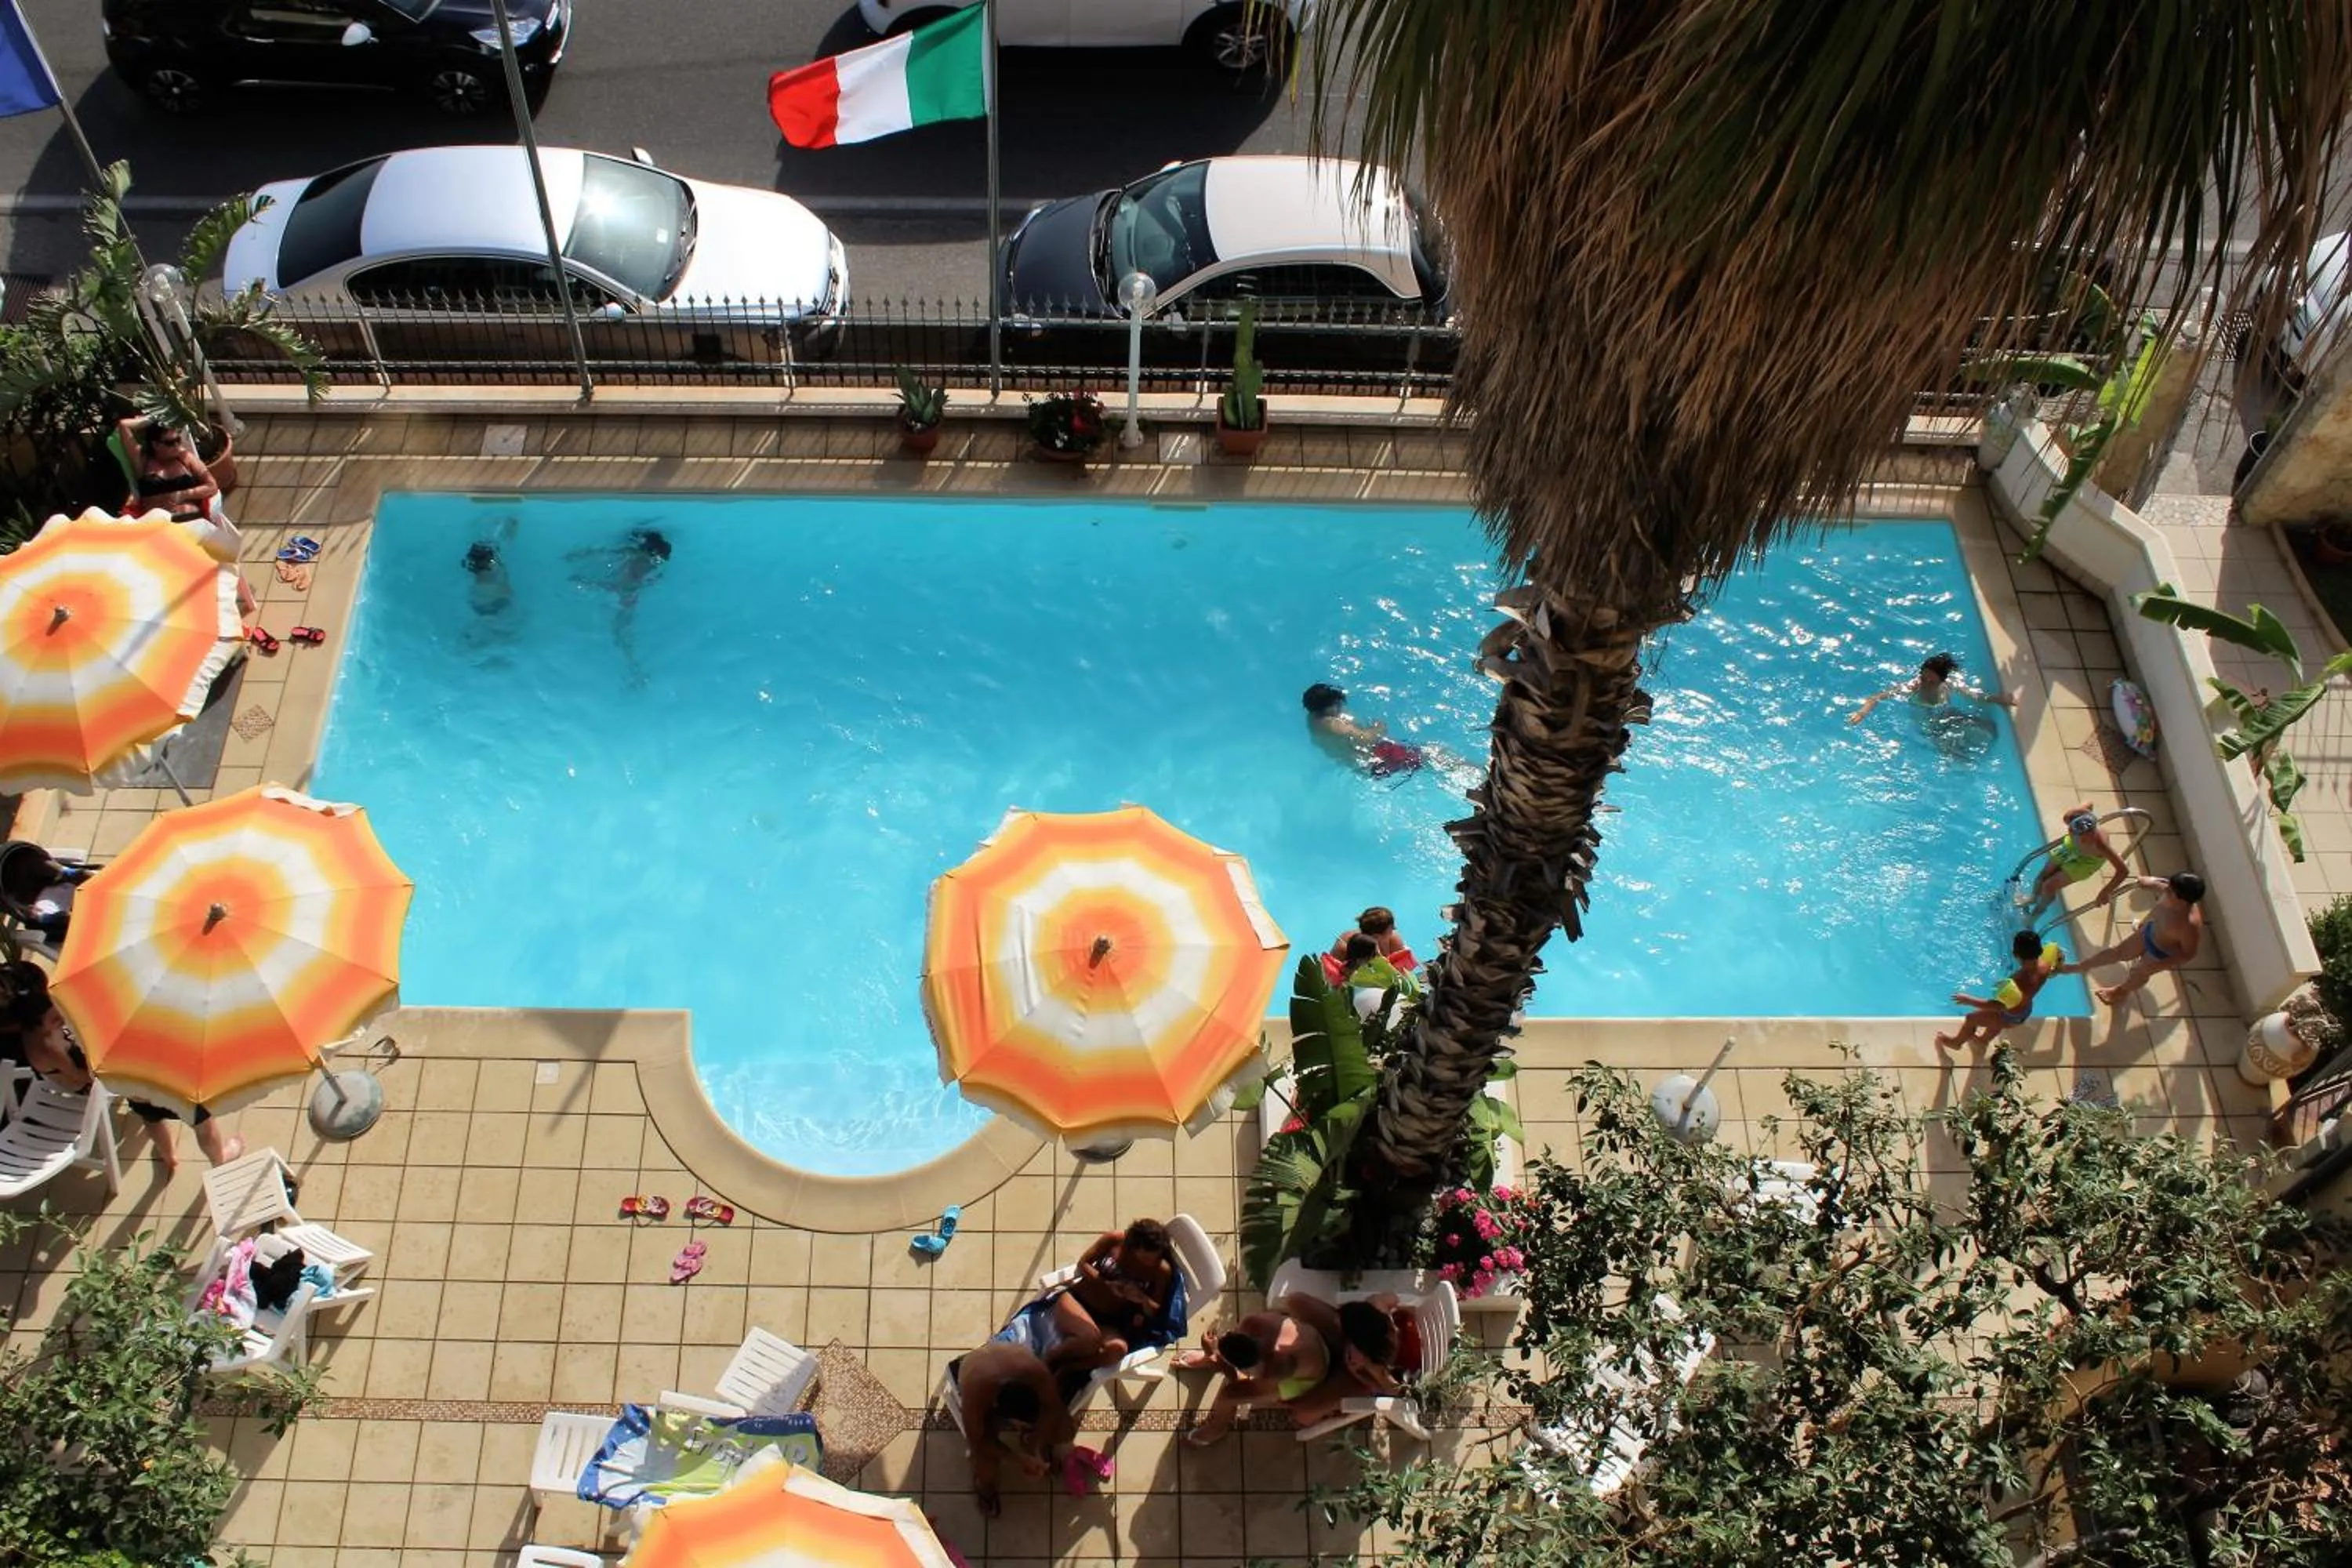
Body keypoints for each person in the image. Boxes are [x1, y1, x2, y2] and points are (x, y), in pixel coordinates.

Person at [0, 960, 241, 1171]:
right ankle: (220, 1158)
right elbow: (84, 1078)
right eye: (54, 1017)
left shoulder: (34, 1035)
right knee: (204, 1125)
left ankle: (168, 1156)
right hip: (160, 1084)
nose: (61, 1014)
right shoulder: (49, 1047)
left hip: (135, 1091)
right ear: (37, 1020)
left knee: (152, 1120)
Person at [116, 416, 258, 619]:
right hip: (161, 530)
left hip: (192, 524)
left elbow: (212, 486)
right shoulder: (143, 461)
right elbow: (123, 426)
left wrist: (184, 494)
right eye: (170, 442)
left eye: (178, 440)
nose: (177, 445)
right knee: (177, 573)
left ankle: (213, 603)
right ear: (155, 444)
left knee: (219, 556)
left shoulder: (186, 458)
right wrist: (154, 419)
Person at [951, 1339, 1074, 1517]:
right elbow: (978, 1443)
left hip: (1009, 1374)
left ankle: (1031, 1439)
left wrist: (1036, 1445)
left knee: (1064, 1430)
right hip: (973, 1373)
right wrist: (1019, 1458)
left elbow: (1053, 1407)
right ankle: (985, 1488)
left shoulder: (1035, 1372)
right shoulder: (977, 1393)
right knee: (985, 1463)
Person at [1043, 1218, 1176, 1379]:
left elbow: (1154, 1311)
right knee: (1089, 1339)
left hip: (1108, 1320)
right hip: (1079, 1301)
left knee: (1118, 1349)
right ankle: (1047, 1362)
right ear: (1134, 1247)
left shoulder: (1161, 1270)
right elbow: (1084, 1264)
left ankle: (1070, 1368)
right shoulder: (1115, 1240)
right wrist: (1107, 1284)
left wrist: (1142, 1299)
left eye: (1154, 1258)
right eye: (1146, 1258)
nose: (1150, 1262)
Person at [2059, 870, 2206, 1007]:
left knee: (2138, 972)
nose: (2165, 889)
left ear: (2183, 901)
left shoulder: (2189, 925)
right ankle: (2081, 966)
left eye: (2170, 891)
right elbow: (2158, 884)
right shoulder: (2169, 893)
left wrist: (2157, 966)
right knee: (2118, 952)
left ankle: (2120, 991)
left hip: (2160, 952)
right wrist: (2146, 882)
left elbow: (2188, 954)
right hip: (2149, 931)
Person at [569, 526, 672, 682]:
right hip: (631, 597)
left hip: (627, 596)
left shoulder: (632, 555)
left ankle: (635, 672)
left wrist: (589, 582)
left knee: (621, 634)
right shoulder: (653, 565)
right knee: (621, 635)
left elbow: (618, 584)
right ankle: (635, 672)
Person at [1935, 930, 2065, 1051]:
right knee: (1996, 1022)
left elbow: (1997, 1006)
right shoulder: (2045, 966)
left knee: (1971, 1018)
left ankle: (1956, 1043)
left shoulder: (2019, 981)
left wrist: (1968, 1000)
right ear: (2040, 950)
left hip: (2010, 1016)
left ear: (2016, 955)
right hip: (2025, 1010)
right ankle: (1983, 1041)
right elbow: (2056, 967)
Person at [1847, 652, 2016, 728]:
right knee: (1951, 748)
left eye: (1931, 680)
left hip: (1945, 713)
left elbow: (1975, 695)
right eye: (1923, 676)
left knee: (1988, 727)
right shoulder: (1913, 686)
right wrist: (1862, 713)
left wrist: (1999, 699)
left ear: (1942, 679)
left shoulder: (1950, 684)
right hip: (1925, 720)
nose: (1926, 681)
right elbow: (1877, 697)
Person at [2023, 802, 2132, 921]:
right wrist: (2085, 811)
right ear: (2071, 829)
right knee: (2043, 875)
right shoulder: (2070, 817)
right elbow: (2089, 804)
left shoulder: (2100, 845)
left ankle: (2035, 915)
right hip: (2071, 848)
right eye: (2083, 838)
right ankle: (2033, 898)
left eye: (2091, 835)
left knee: (2049, 886)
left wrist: (2105, 891)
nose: (2087, 840)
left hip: (2087, 862)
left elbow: (2123, 871)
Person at [0, 842, 90, 946]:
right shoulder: (41, 908)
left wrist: (67, 873)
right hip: (31, 899)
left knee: (78, 876)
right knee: (50, 918)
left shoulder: (33, 863)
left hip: (50, 879)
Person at [1330, 906, 1417, 972]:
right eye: (1391, 929)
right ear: (1376, 937)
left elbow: (1403, 972)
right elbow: (1331, 977)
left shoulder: (1393, 940)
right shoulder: (1344, 947)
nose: (1394, 930)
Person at [463, 539, 515, 617]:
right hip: (498, 598)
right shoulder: (498, 570)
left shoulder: (475, 571)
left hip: (479, 604)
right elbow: (509, 591)